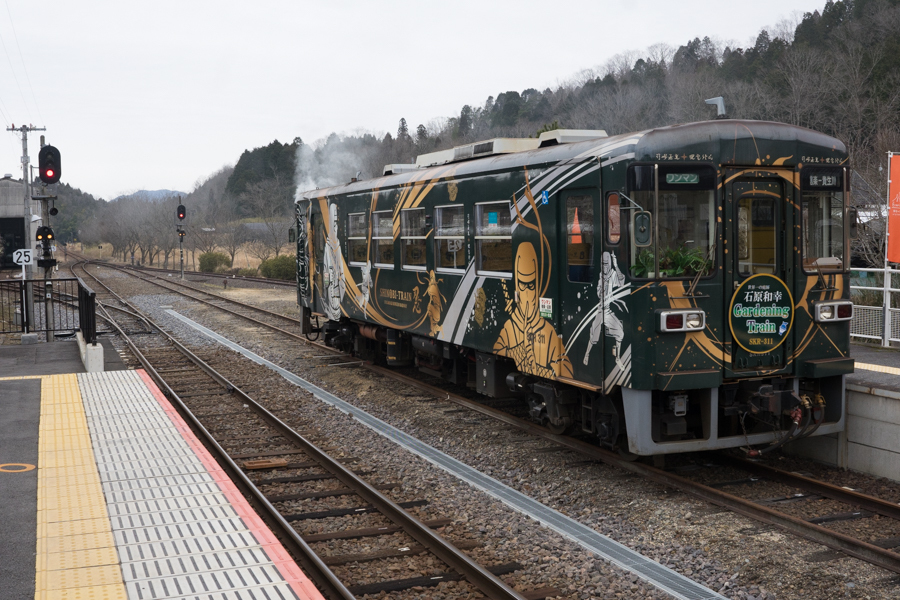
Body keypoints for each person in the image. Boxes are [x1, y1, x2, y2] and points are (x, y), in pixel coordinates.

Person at [494, 242, 573, 379]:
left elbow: (566, 365)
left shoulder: (548, 331)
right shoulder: (509, 327)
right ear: (517, 286)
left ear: (537, 287)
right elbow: (497, 348)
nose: (526, 293)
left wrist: (545, 371)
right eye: (522, 285)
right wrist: (515, 353)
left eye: (531, 286)